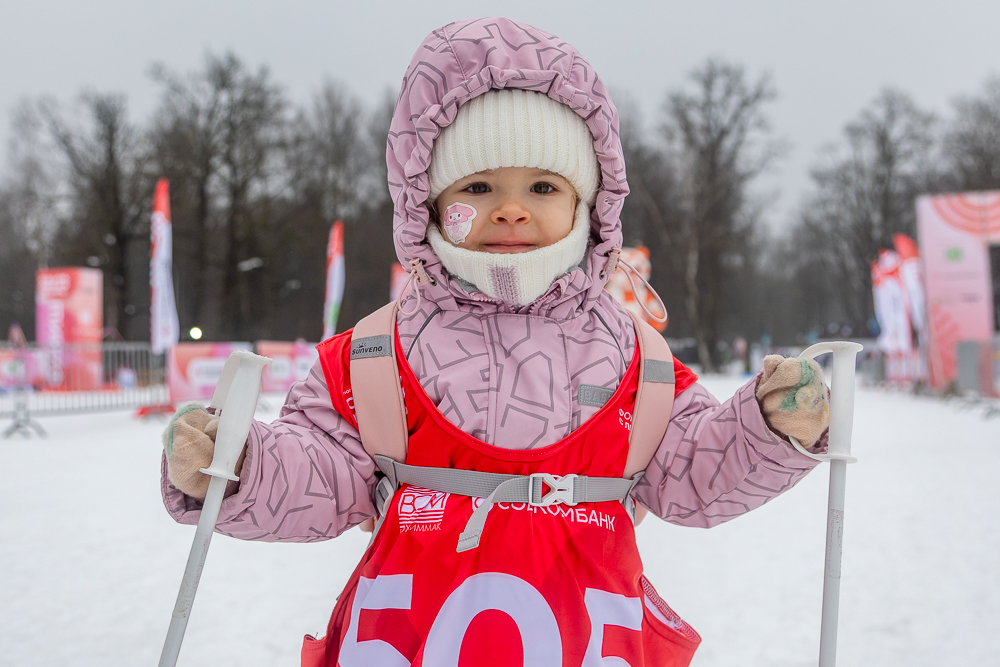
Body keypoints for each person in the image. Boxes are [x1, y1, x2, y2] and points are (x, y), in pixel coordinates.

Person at [161, 17, 830, 666]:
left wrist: (768, 429)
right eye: (477, 187)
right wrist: (238, 462)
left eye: (542, 186)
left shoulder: (637, 364)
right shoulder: (374, 358)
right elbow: (319, 473)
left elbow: (693, 471)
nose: (510, 208)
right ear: (425, 203)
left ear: (589, 205)